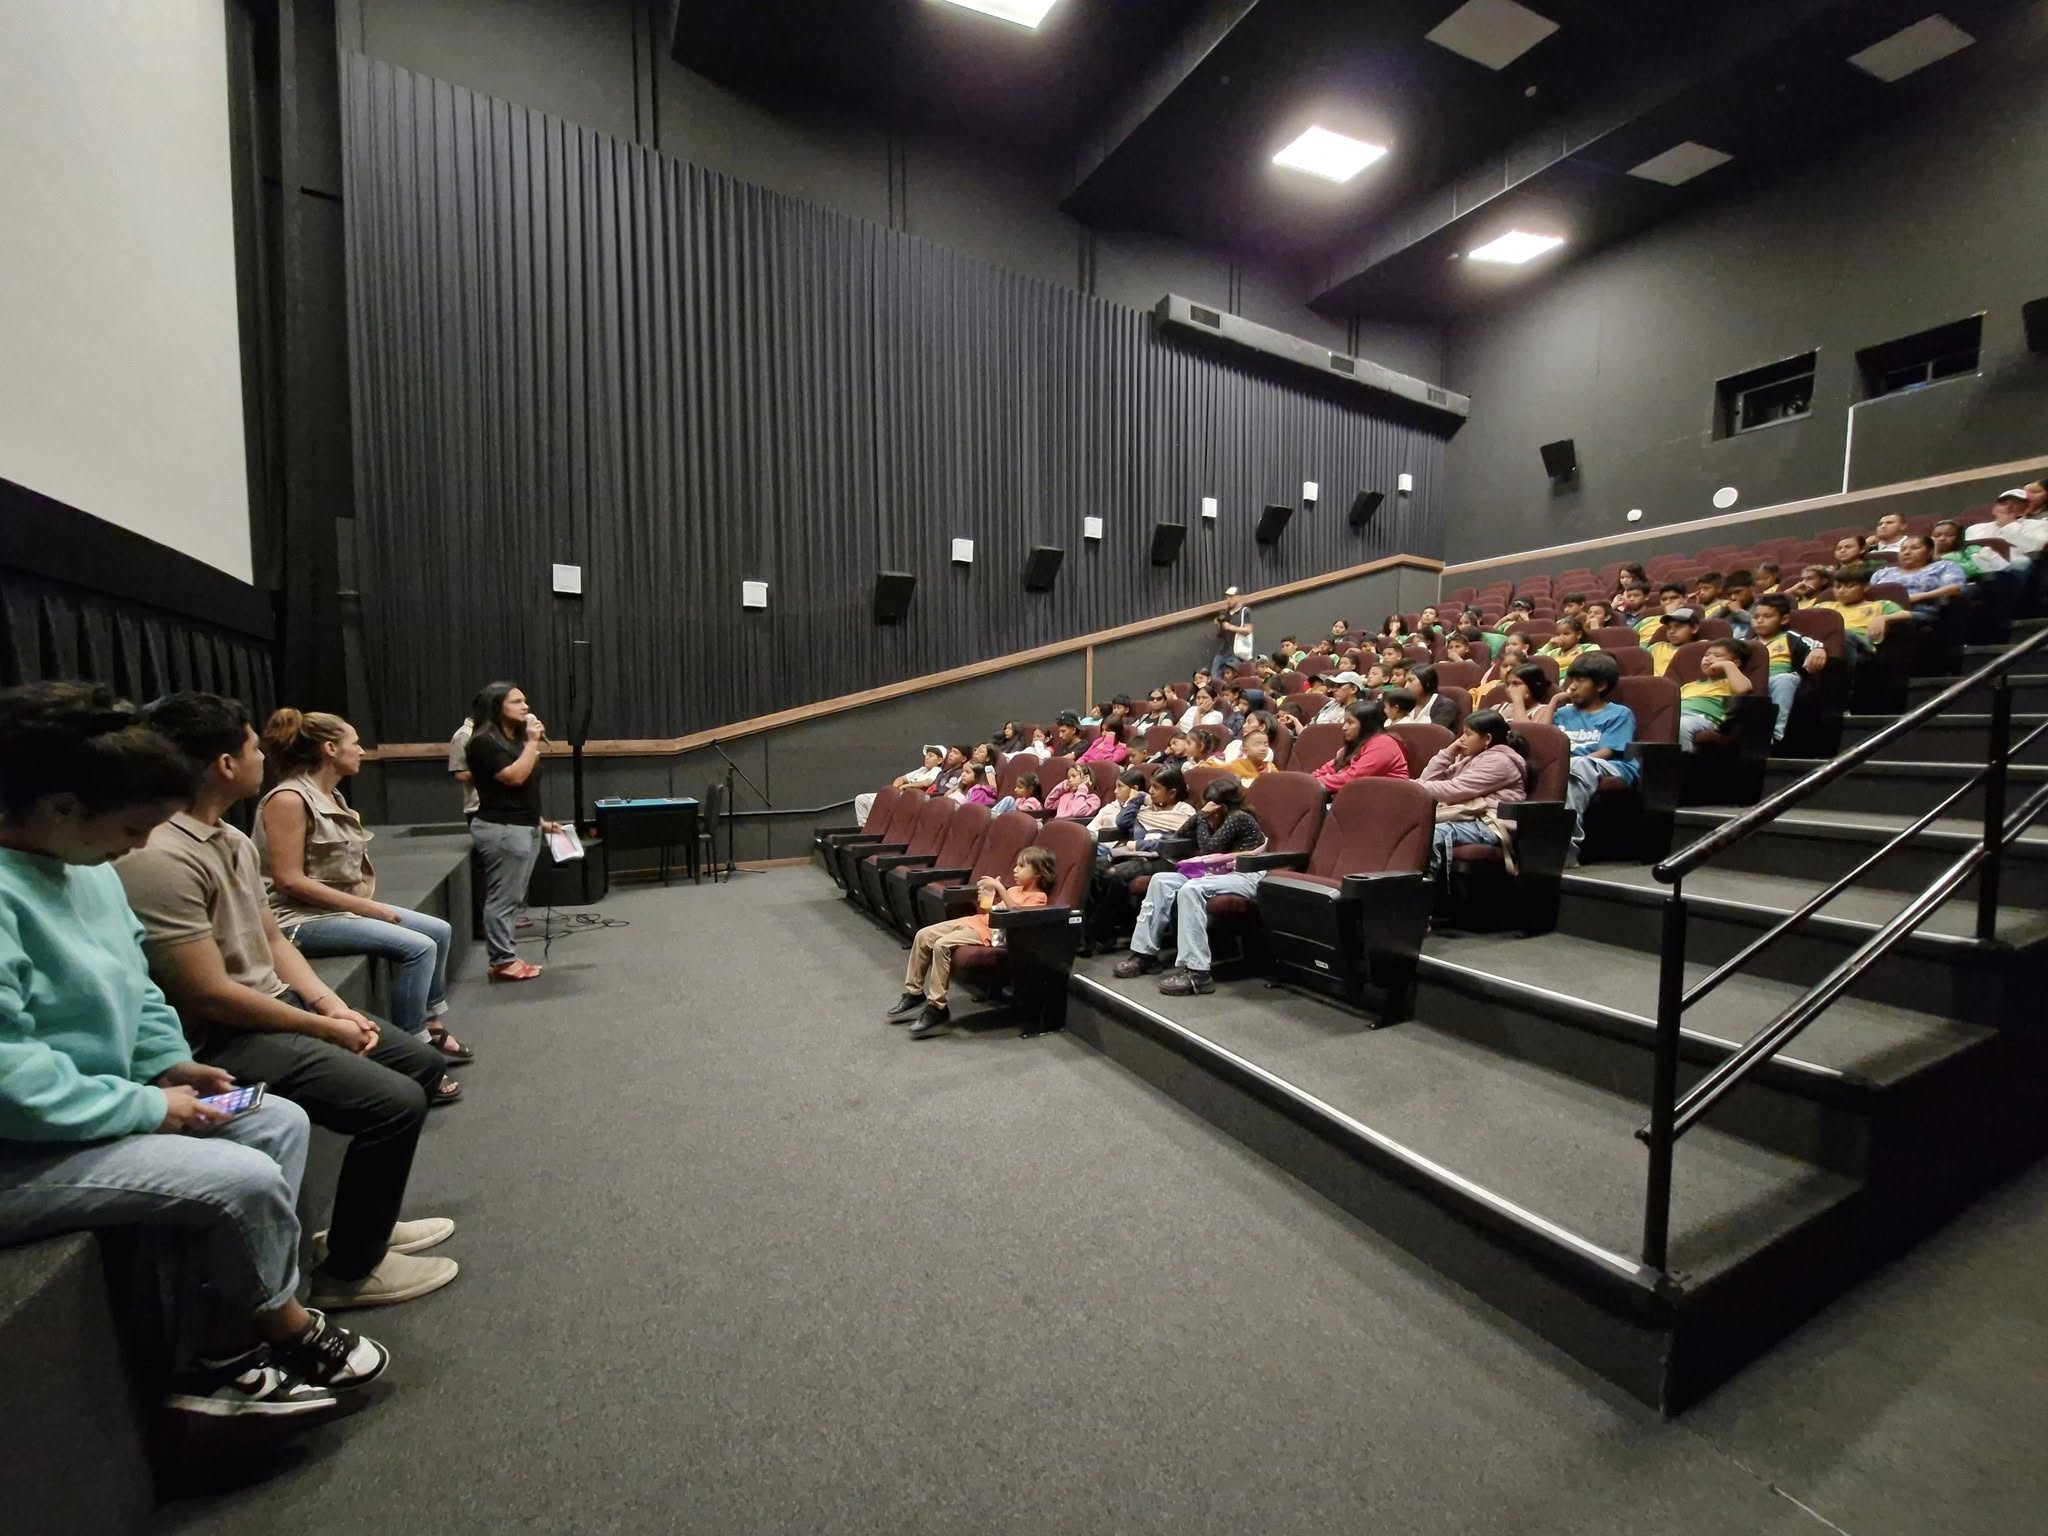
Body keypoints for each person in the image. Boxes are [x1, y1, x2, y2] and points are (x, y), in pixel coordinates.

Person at [0, 683, 389, 1421]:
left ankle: (230, 1333)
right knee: (238, 1177)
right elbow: (11, 1080)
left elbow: (140, 985)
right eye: (132, 827)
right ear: (60, 808)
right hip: (18, 1149)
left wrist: (167, 1063)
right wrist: (147, 1106)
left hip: (97, 1105)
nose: (138, 846)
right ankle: (246, 1351)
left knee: (277, 1123)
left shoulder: (87, 869)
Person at [120, 692, 460, 1309]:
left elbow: (272, 940)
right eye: (253, 747)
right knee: (394, 1104)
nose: (263, 757)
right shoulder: (161, 856)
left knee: (420, 1063)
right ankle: (352, 1271)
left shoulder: (227, 837)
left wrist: (330, 1005)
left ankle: (364, 1229)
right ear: (225, 764)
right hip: (222, 1039)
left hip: (273, 1006)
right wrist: (321, 1028)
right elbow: (211, 996)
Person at [255, 710, 468, 1064]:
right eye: (354, 744)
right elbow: (288, 880)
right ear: (330, 749)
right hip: (296, 920)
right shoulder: (288, 800)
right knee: (419, 948)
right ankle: (414, 1047)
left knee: (439, 931)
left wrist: (360, 906)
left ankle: (430, 1021)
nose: (361, 751)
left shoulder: (330, 795)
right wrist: (367, 907)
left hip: (335, 909)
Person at [1113, 778, 1268, 996]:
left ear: (1222, 807)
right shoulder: (1215, 817)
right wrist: (1202, 815)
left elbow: (1208, 848)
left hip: (1246, 875)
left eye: (1210, 806)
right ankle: (1144, 954)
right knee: (1160, 881)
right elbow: (1180, 834)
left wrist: (1202, 817)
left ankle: (1197, 972)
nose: (1206, 810)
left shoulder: (1239, 817)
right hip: (1216, 874)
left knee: (1191, 889)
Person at [886, 845, 1056, 1039]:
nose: (1015, 870)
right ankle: (914, 993)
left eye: (1022, 866)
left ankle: (937, 1007)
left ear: (1037, 873)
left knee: (942, 945)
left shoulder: (1039, 897)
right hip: (977, 921)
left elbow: (1017, 916)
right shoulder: (1015, 890)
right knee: (923, 935)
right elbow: (994, 912)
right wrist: (987, 899)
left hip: (989, 933)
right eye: (1016, 865)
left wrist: (1000, 889)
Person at [462, 681, 563, 981]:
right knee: (503, 898)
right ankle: (503, 961)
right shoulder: (483, 742)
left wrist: (540, 822)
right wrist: (532, 743)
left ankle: (505, 956)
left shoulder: (515, 741)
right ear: (497, 706)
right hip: (502, 828)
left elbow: (525, 790)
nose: (525, 707)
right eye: (516, 702)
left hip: (524, 825)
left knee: (514, 897)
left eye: (525, 701)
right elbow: (514, 778)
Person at [1417, 709, 1532, 895]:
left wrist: (1412, 787)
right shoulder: (1472, 758)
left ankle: (1425, 901)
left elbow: (1452, 791)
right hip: (1466, 817)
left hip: (1489, 823)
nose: (1461, 739)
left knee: (1429, 835)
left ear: (1487, 739)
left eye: (1468, 734)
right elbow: (1429, 781)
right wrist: (1448, 752)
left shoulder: (1501, 762)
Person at [1086, 768, 1198, 949]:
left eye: (1156, 788)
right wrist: (1137, 799)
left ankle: (1101, 934)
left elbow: (1178, 841)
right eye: (1150, 786)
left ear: (1172, 793)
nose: (1150, 791)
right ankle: (1090, 929)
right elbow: (1122, 822)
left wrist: (1139, 845)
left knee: (1114, 875)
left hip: (1163, 859)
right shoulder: (1146, 806)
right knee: (1091, 868)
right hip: (1133, 855)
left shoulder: (1184, 810)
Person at [1552, 654, 1638, 865]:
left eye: (1580, 681)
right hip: (1573, 765)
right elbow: (1545, 738)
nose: (1572, 686)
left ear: (1600, 686)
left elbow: (1607, 751)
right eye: (1571, 680)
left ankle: (1565, 850)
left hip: (1612, 765)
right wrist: (1553, 702)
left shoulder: (1619, 713)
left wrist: (1564, 766)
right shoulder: (1563, 713)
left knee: (1576, 766)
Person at [1748, 595, 1828, 744]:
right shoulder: (1746, 643)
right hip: (1752, 681)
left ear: (1783, 619)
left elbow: (1816, 645)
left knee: (1784, 680)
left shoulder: (1790, 637)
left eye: (1767, 616)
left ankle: (1774, 734)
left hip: (1780, 678)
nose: (1759, 620)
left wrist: (1818, 650)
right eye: (1756, 616)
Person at [1677, 638, 1754, 752]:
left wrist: (1729, 666)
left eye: (1717, 656)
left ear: (1736, 663)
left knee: (1681, 726)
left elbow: (1742, 689)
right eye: (1707, 654)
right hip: (1678, 715)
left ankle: (1683, 760)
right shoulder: (1689, 685)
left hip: (1703, 718)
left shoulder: (1730, 683)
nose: (1708, 658)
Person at [1313, 700, 1407, 792]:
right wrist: (1309, 782)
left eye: (1350, 722)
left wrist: (1314, 784)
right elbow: (1327, 769)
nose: (1344, 727)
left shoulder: (1383, 744)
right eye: (1344, 722)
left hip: (1386, 797)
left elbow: (1352, 779)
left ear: (1366, 725)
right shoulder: (1355, 744)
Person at [1887, 533, 1968, 626]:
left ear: (1930, 552)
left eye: (1915, 548)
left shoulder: (1944, 566)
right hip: (1882, 610)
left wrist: (1915, 597)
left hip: (1920, 611)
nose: (1907, 552)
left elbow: (1955, 588)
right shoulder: (1884, 572)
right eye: (1903, 549)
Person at [1818, 567, 1907, 650]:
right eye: (1837, 587)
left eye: (1849, 586)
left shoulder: (1880, 605)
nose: (1841, 591)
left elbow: (1909, 615)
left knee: (1842, 635)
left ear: (1865, 587)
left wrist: (1883, 618)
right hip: (1821, 644)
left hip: (1859, 646)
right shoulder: (1824, 606)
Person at [854, 746, 942, 827]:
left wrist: (906, 786)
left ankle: (875, 828)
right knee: (861, 799)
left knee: (874, 801)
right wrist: (894, 790)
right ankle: (864, 827)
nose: (927, 757)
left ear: (939, 760)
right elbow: (900, 779)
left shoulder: (937, 770)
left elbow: (927, 783)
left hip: (910, 798)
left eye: (931, 756)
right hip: (899, 794)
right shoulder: (922, 770)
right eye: (926, 755)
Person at [1965, 489, 2048, 561]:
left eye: (2016, 504)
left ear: (2025, 510)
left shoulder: (2039, 525)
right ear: (1994, 509)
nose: (2008, 507)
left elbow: (2038, 546)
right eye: (2003, 503)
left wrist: (2008, 525)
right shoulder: (1975, 529)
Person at [1394, 662, 1459, 730]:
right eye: (1405, 682)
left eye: (1411, 680)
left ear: (1427, 682)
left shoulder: (1445, 705)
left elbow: (1435, 732)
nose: (1406, 686)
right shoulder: (1404, 703)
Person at [448, 696, 482, 820]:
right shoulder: (464, 735)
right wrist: (495, 772)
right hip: (479, 808)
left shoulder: (498, 731)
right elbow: (461, 774)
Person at [1213, 586, 1255, 679]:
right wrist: (1220, 625)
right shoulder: (1225, 612)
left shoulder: (1244, 612)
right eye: (1227, 597)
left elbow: (1248, 630)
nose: (1228, 600)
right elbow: (1221, 634)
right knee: (1215, 676)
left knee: (1231, 676)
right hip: (1223, 651)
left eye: (1231, 597)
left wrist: (1230, 627)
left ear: (1238, 597)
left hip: (1237, 653)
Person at [1645, 606, 1699, 676]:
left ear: (1694, 628)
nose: (1671, 631)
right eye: (1668, 628)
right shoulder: (1656, 647)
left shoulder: (1697, 650)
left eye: (1678, 626)